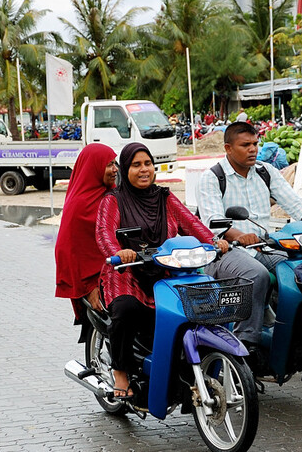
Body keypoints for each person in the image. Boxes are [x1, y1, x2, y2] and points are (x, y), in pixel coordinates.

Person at [96, 142, 228, 399]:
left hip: (166, 270)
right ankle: (121, 372)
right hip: (126, 271)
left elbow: (191, 224)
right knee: (125, 310)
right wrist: (118, 252)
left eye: (148, 164)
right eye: (136, 165)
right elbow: (104, 233)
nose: (144, 170)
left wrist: (213, 242)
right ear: (125, 169)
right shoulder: (113, 200)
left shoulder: (165, 196)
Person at [196, 121, 302, 360]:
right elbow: (214, 221)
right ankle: (246, 343)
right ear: (228, 148)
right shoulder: (213, 177)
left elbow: (296, 205)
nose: (253, 149)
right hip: (225, 251)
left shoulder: (266, 172)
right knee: (257, 275)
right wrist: (239, 236)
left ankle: (291, 335)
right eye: (245, 145)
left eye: (255, 143)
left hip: (263, 246)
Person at [55, 143, 118, 319]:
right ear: (94, 167)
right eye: (109, 164)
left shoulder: (114, 196)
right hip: (96, 285)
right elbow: (67, 251)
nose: (115, 169)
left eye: (115, 163)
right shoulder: (79, 206)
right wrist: (89, 286)